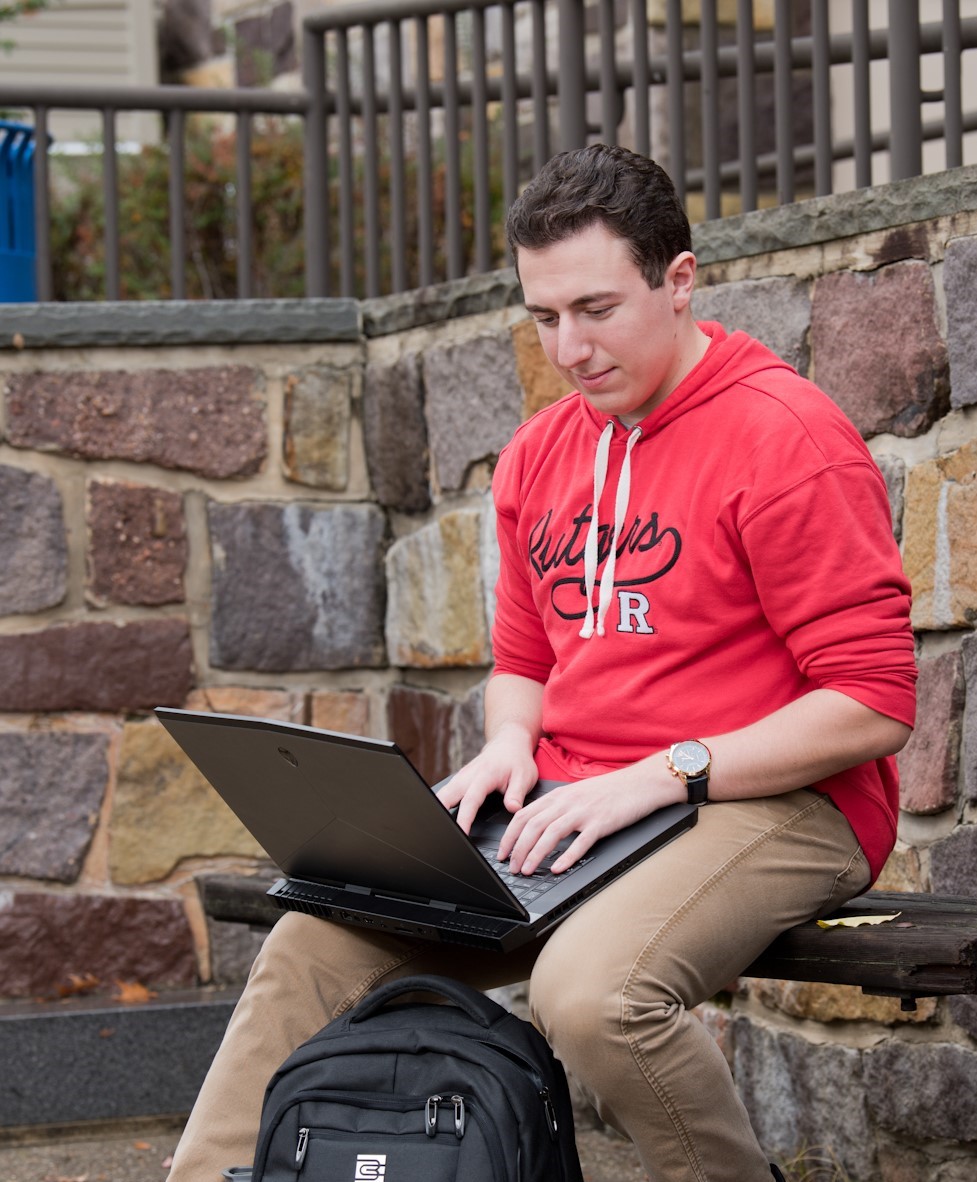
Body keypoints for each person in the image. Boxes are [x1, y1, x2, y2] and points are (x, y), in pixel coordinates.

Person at [167, 144, 916, 1182]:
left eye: (596, 309)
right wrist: (508, 744)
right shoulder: (541, 452)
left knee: (589, 994)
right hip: (570, 807)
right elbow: (524, 654)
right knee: (315, 937)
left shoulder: (785, 439)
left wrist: (661, 774)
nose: (568, 348)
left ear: (679, 280)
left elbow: (871, 705)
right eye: (543, 318)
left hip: (774, 799)